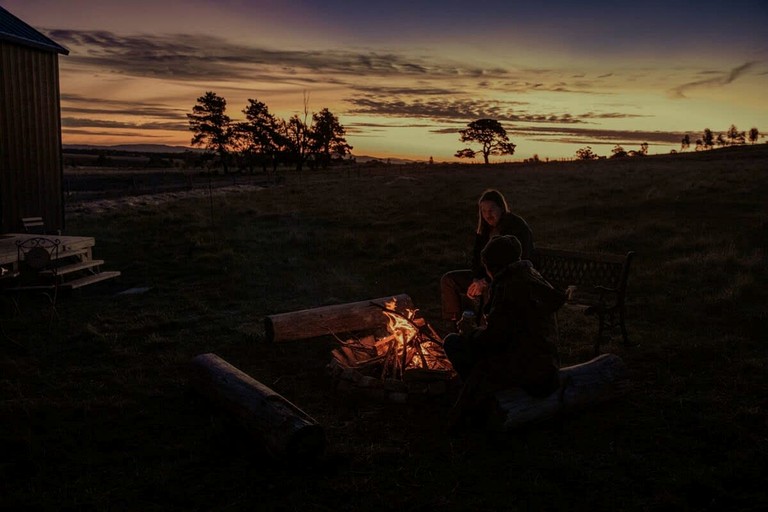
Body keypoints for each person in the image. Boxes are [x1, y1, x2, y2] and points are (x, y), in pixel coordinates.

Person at [443, 235, 565, 430]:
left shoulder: (510, 288)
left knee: (453, 343)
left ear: (493, 266)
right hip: (546, 362)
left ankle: (486, 403)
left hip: (531, 371)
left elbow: (494, 339)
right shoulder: (530, 275)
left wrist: (470, 332)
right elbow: (509, 330)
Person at [440, 189, 534, 323]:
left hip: (508, 280)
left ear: (501, 208)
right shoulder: (484, 230)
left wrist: (486, 281)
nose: (487, 215)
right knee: (449, 280)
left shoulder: (516, 228)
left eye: (491, 210)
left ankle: (488, 328)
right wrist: (477, 279)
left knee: (489, 290)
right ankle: (456, 323)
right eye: (483, 211)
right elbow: (476, 257)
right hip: (485, 277)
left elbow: (518, 262)